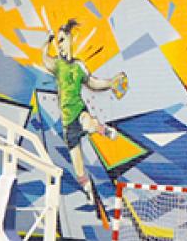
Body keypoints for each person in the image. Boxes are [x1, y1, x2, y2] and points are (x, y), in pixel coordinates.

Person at [42, 18, 128, 201]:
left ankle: (104, 130)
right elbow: (45, 61)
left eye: (63, 40)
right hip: (67, 123)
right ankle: (89, 190)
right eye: (58, 42)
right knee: (79, 169)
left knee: (88, 124)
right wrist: (46, 42)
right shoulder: (58, 65)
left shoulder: (78, 66)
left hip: (79, 111)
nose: (60, 45)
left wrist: (110, 83)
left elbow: (93, 83)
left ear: (71, 40)